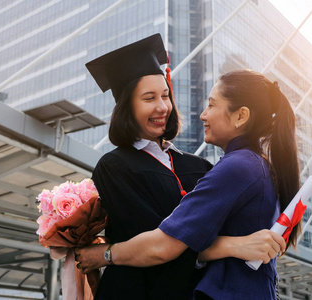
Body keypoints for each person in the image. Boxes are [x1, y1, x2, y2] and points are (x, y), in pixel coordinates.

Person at [76, 68, 299, 299]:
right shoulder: (114, 166)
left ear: (241, 116)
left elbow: (166, 245)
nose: (163, 107)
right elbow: (168, 241)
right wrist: (232, 245)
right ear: (127, 107)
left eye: (165, 96)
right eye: (149, 98)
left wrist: (105, 254)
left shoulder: (217, 166)